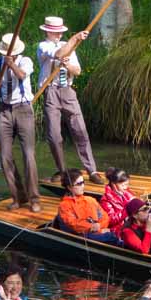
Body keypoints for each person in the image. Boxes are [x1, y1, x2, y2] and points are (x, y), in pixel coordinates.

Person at [36, 16, 104, 184]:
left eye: (60, 32)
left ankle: (92, 170)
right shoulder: (43, 46)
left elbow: (78, 71)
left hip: (68, 91)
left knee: (80, 130)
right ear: (47, 32)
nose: (58, 35)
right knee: (54, 135)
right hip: (50, 91)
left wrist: (67, 65)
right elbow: (59, 54)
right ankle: (62, 171)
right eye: (55, 32)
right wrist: (75, 38)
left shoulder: (71, 47)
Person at [0, 33, 41, 213]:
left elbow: (21, 75)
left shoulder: (25, 61)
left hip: (23, 110)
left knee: (29, 155)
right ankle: (18, 197)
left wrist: (11, 64)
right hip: (4, 111)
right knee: (5, 156)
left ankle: (34, 198)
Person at [55, 169, 121, 243]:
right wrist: (93, 228)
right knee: (110, 237)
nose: (83, 186)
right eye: (79, 184)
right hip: (82, 238)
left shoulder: (90, 200)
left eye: (83, 182)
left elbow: (105, 217)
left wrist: (100, 225)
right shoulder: (64, 206)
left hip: (98, 233)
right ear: (69, 187)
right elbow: (73, 224)